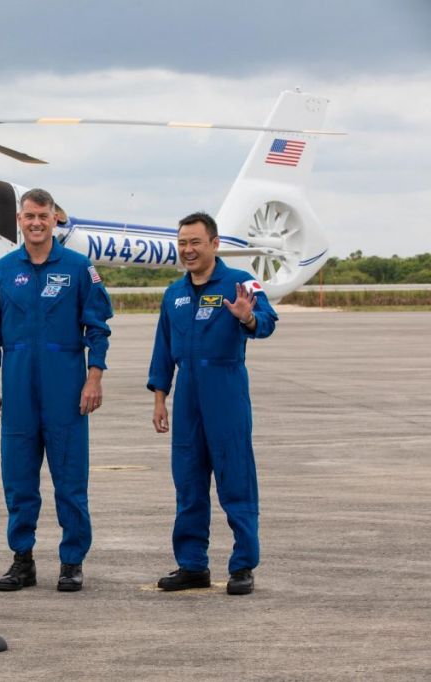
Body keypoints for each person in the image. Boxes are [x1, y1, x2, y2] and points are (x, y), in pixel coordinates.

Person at [0, 188, 113, 593]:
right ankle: (22, 559)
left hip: (65, 388)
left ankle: (72, 561)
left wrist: (94, 377)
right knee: (18, 479)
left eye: (43, 216)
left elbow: (99, 327)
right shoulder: (2, 272)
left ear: (55, 219)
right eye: (29, 216)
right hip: (18, 389)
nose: (36, 223)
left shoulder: (77, 268)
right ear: (19, 220)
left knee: (70, 478)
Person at [147, 211, 278, 596]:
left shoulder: (240, 282)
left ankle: (242, 566)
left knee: (235, 478)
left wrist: (248, 317)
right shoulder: (173, 294)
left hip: (225, 388)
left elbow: (269, 321)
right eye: (182, 243)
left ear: (214, 244)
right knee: (188, 481)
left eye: (195, 242)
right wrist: (160, 399)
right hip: (187, 392)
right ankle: (192, 565)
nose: (188, 250)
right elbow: (162, 351)